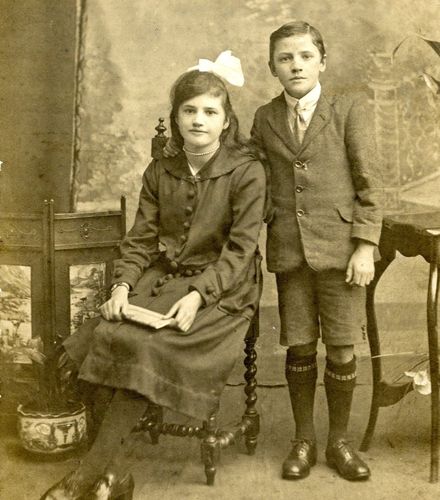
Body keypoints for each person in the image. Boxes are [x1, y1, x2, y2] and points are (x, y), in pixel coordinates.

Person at [40, 51, 266, 500]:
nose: (198, 120)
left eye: (209, 111)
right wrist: (122, 285)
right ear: (176, 117)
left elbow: (240, 250)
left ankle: (84, 479)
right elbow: (141, 240)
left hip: (223, 290)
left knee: (147, 346)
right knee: (105, 332)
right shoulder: (161, 169)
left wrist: (199, 296)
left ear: (226, 121)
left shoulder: (246, 172)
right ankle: (114, 476)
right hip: (163, 277)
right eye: (189, 110)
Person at [250, 21, 383, 481]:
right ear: (272, 67)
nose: (296, 65)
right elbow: (257, 181)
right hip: (291, 253)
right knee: (301, 345)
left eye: (305, 56)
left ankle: (338, 442)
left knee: (343, 349)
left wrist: (365, 246)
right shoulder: (265, 118)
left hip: (343, 252)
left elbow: (370, 185)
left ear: (322, 61)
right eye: (285, 58)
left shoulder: (347, 109)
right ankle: (303, 439)